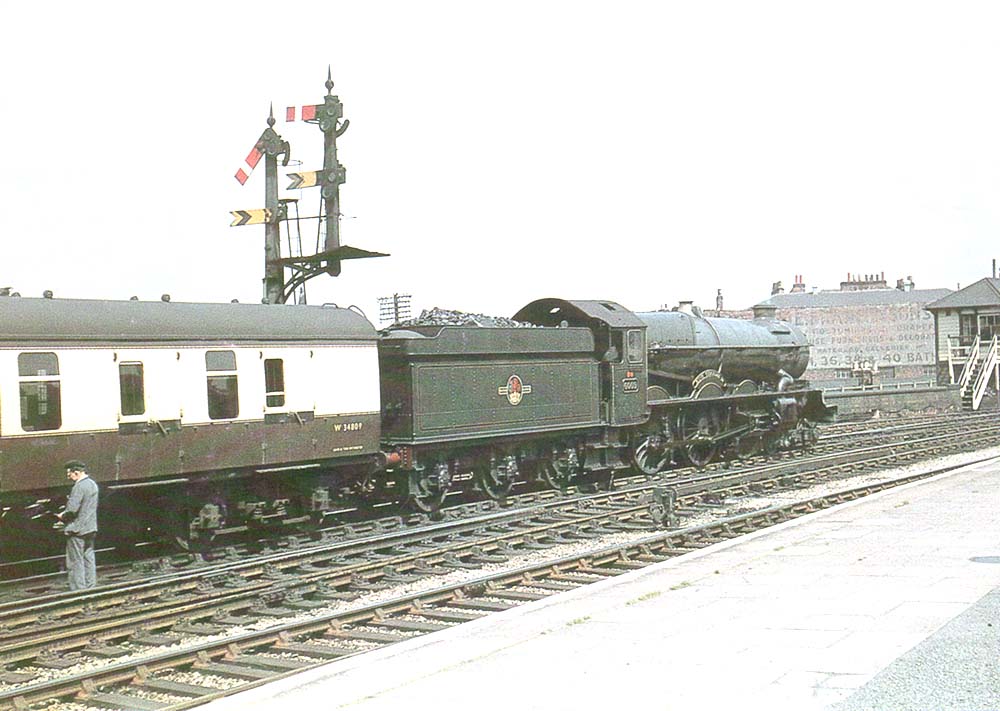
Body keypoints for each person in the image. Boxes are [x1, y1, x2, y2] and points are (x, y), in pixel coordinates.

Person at [57, 460, 99, 590]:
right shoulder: (92, 484)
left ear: (76, 472)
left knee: (75, 561)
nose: (68, 477)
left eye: (69, 474)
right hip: (90, 528)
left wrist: (61, 516)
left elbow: (72, 510)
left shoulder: (79, 487)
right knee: (89, 558)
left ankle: (78, 590)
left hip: (77, 529)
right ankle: (90, 586)